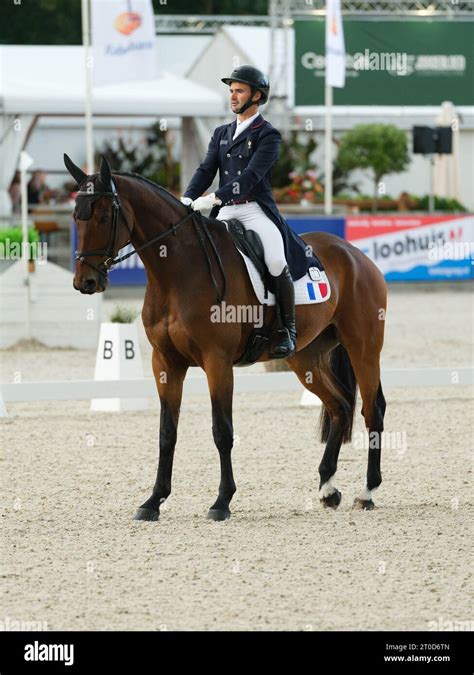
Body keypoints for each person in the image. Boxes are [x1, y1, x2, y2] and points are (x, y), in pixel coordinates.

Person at [181, 65, 311, 359]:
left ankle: (287, 330)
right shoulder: (222, 133)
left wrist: (214, 198)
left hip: (254, 209)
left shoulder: (268, 134)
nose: (233, 96)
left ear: (257, 96)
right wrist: (187, 198)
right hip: (226, 211)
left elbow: (250, 177)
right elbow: (206, 169)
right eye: (231, 90)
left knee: (276, 261)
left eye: (239, 91)